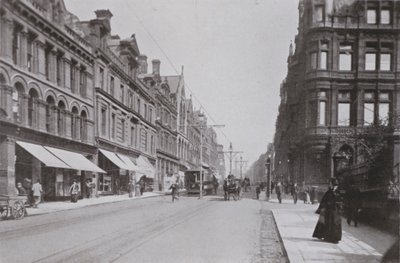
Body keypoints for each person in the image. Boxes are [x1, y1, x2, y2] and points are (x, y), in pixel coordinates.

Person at [312, 178, 342, 244]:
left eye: (331, 184)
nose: (330, 185)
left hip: (335, 211)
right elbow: (324, 200)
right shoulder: (329, 192)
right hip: (329, 211)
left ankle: (335, 238)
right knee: (328, 223)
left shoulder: (337, 192)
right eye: (330, 184)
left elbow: (340, 201)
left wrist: (339, 206)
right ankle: (328, 237)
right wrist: (322, 208)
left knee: (335, 223)